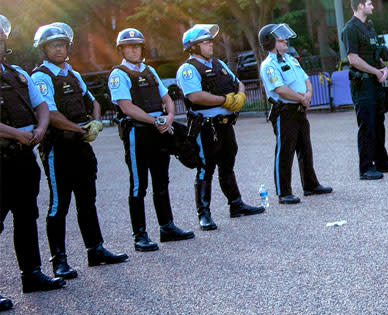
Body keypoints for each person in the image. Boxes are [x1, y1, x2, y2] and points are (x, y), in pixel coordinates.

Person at [31, 23, 128, 278]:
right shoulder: (41, 77)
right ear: (44, 49)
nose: (59, 49)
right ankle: (59, 261)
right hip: (58, 147)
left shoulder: (72, 73)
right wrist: (79, 129)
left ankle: (95, 250)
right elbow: (50, 113)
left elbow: (93, 101)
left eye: (62, 44)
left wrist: (94, 122)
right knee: (58, 205)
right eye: (54, 45)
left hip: (81, 146)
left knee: (87, 200)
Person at [108, 28, 195, 252]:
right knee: (139, 185)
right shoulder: (119, 74)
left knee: (161, 181)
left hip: (159, 132)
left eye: (137, 46)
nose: (134, 50)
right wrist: (154, 121)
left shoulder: (149, 71)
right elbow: (126, 107)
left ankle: (167, 227)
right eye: (129, 47)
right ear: (122, 50)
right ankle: (140, 235)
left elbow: (166, 97)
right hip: (138, 133)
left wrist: (170, 116)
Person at [0, 15, 66, 303]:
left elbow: (41, 105)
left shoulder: (18, 74)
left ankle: (32, 274)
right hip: (2, 156)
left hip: (24, 156)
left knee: (26, 216)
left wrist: (40, 128)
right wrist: (15, 133)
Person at [176, 24, 264, 231]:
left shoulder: (218, 64)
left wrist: (240, 96)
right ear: (193, 47)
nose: (210, 45)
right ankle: (204, 214)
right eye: (205, 42)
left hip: (225, 126)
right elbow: (195, 96)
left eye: (209, 41)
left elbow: (238, 82)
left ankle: (236, 204)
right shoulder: (188, 69)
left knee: (227, 165)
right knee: (205, 168)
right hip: (206, 127)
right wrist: (225, 100)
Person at [258, 22, 332, 204]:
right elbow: (280, 89)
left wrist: (308, 95)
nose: (284, 41)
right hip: (285, 112)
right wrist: (301, 98)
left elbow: (306, 80)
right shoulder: (269, 65)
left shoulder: (291, 59)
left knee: (305, 149)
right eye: (279, 38)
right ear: (270, 42)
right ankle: (284, 192)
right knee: (285, 152)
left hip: (300, 110)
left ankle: (310, 185)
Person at [341, 0, 388, 180]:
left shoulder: (369, 27)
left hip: (375, 83)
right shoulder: (350, 29)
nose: (373, 7)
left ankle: (382, 162)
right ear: (360, 6)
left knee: (378, 124)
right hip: (363, 84)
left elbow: (375, 54)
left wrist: (382, 69)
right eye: (369, 4)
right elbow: (353, 59)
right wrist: (375, 72)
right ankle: (366, 168)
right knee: (367, 126)